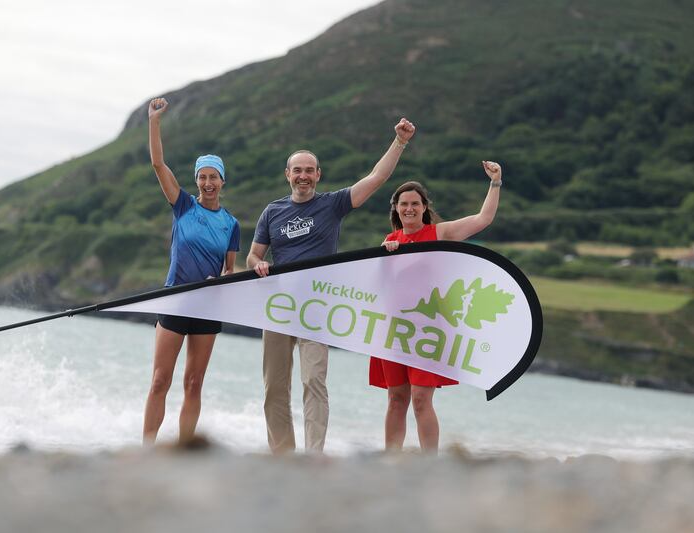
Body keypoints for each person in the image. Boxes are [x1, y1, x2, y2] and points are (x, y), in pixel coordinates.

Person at [247, 118, 417, 454]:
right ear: (288, 175)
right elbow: (253, 255)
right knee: (274, 388)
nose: (303, 176)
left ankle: (313, 455)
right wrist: (258, 264)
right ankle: (282, 455)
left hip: (317, 309)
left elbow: (377, 178)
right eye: (297, 170)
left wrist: (399, 142)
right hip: (277, 307)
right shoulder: (272, 211)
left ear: (318, 175)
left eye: (309, 170)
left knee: (313, 381)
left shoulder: (332, 205)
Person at [369, 161, 503, 454]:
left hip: (428, 328)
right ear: (396, 209)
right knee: (395, 398)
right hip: (393, 328)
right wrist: (384, 257)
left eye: (415, 204)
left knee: (420, 398)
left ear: (424, 207)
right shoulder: (389, 241)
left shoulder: (438, 233)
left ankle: (429, 462)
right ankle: (392, 459)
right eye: (404, 204)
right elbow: (378, 286)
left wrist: (495, 183)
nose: (409, 209)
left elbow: (484, 219)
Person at [143, 97, 240, 445]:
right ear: (196, 180)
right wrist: (154, 121)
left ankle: (184, 450)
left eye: (214, 177)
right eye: (202, 177)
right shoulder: (183, 205)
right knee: (159, 380)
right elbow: (158, 164)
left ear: (222, 181)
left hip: (208, 308)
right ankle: (148, 447)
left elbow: (230, 270)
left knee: (194, 383)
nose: (208, 182)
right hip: (174, 302)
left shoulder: (231, 224)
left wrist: (228, 277)